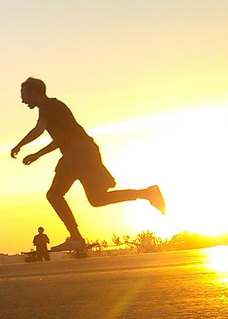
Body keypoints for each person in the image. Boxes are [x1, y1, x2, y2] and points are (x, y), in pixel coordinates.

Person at [12, 78, 165, 252]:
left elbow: (39, 130)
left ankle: (76, 238)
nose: (22, 100)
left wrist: (20, 146)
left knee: (55, 195)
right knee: (96, 199)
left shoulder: (48, 106)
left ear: (34, 92)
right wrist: (37, 154)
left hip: (79, 155)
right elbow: (60, 140)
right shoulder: (52, 108)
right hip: (80, 154)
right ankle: (147, 193)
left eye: (23, 95)